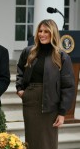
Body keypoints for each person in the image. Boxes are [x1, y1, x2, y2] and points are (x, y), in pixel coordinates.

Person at [16, 19, 75, 149]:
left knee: (48, 141)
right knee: (31, 140)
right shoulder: (29, 52)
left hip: (51, 103)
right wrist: (20, 89)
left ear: (53, 33)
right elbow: (20, 70)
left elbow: (68, 86)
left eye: (46, 31)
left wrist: (62, 112)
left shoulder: (61, 56)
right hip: (30, 101)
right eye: (40, 31)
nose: (41, 34)